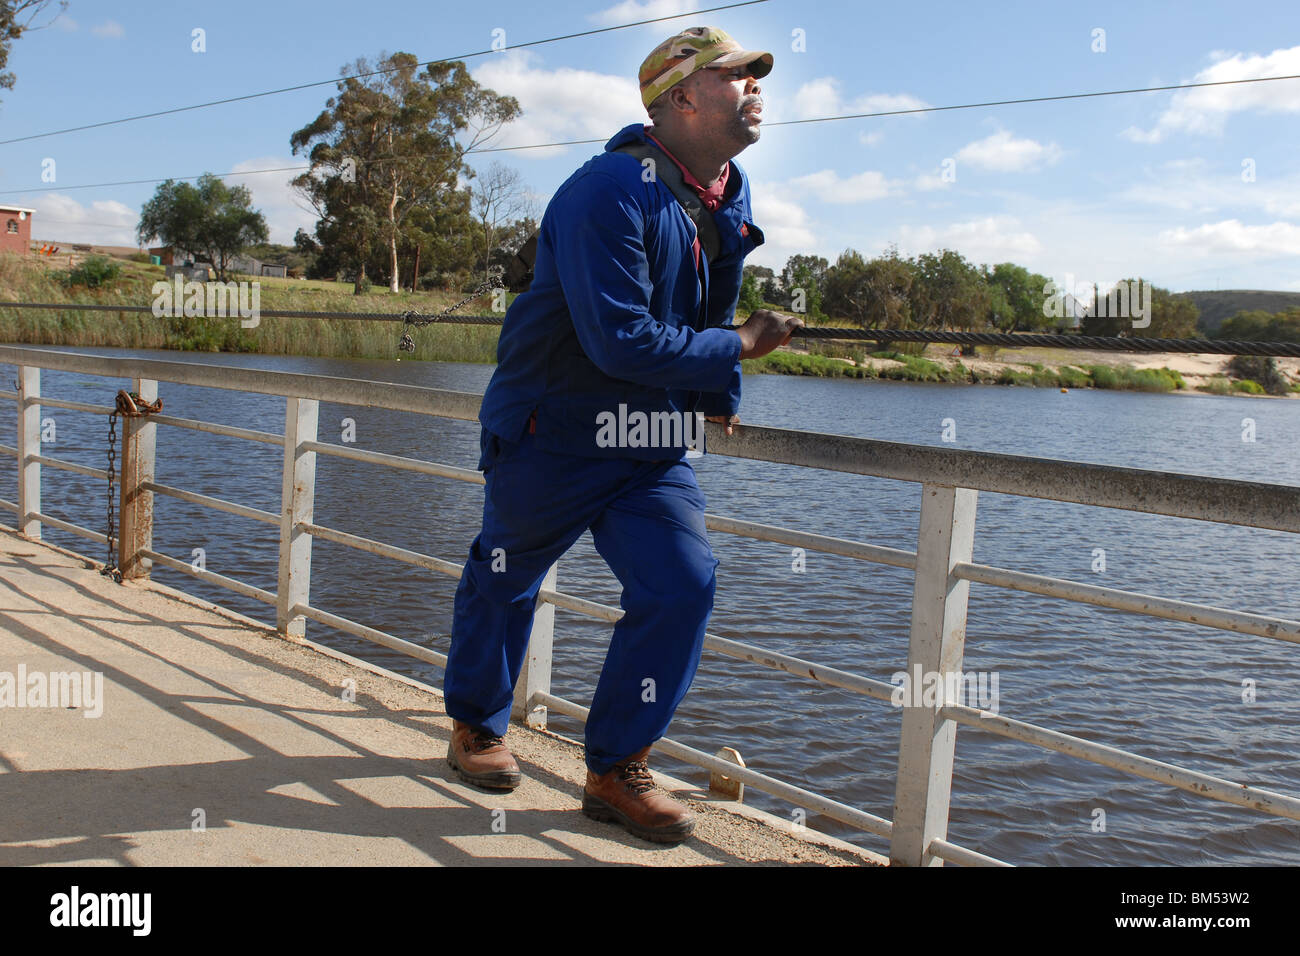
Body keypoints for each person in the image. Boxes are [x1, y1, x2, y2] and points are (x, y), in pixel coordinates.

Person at [441, 25, 803, 844]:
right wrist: (743, 343)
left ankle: (614, 767)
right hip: (553, 425)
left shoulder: (727, 191)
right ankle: (475, 725)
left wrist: (721, 382)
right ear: (680, 96)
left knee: (683, 581)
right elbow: (621, 339)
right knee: (507, 576)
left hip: (647, 435)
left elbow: (706, 310)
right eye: (735, 76)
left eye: (757, 76)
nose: (756, 88)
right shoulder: (609, 188)